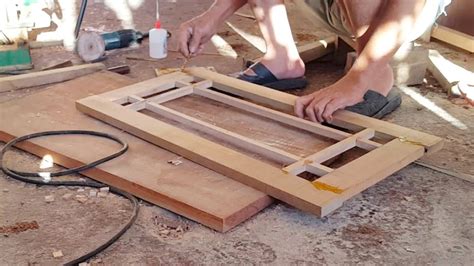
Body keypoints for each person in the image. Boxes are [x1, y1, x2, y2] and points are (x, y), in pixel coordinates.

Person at [177, 0, 450, 123]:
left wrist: (360, 76)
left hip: (409, 10)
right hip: (338, 9)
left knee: (366, 75)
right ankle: (281, 57)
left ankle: (375, 74)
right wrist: (211, 17)